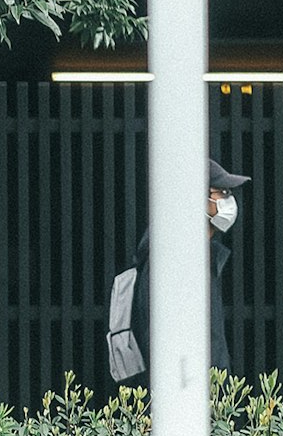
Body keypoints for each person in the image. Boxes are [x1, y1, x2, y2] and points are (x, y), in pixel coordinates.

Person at [104, 161, 246, 386]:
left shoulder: (190, 255)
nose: (229, 201)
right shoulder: (174, 261)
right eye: (222, 192)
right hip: (189, 399)